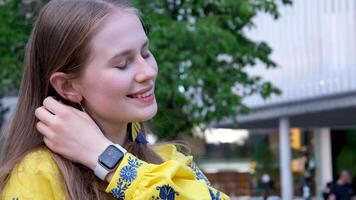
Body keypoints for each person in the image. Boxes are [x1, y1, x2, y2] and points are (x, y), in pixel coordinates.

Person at [0, 0, 230, 199]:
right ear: (68, 86)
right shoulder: (38, 174)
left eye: (145, 53)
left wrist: (109, 160)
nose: (148, 71)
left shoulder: (172, 163)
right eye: (122, 64)